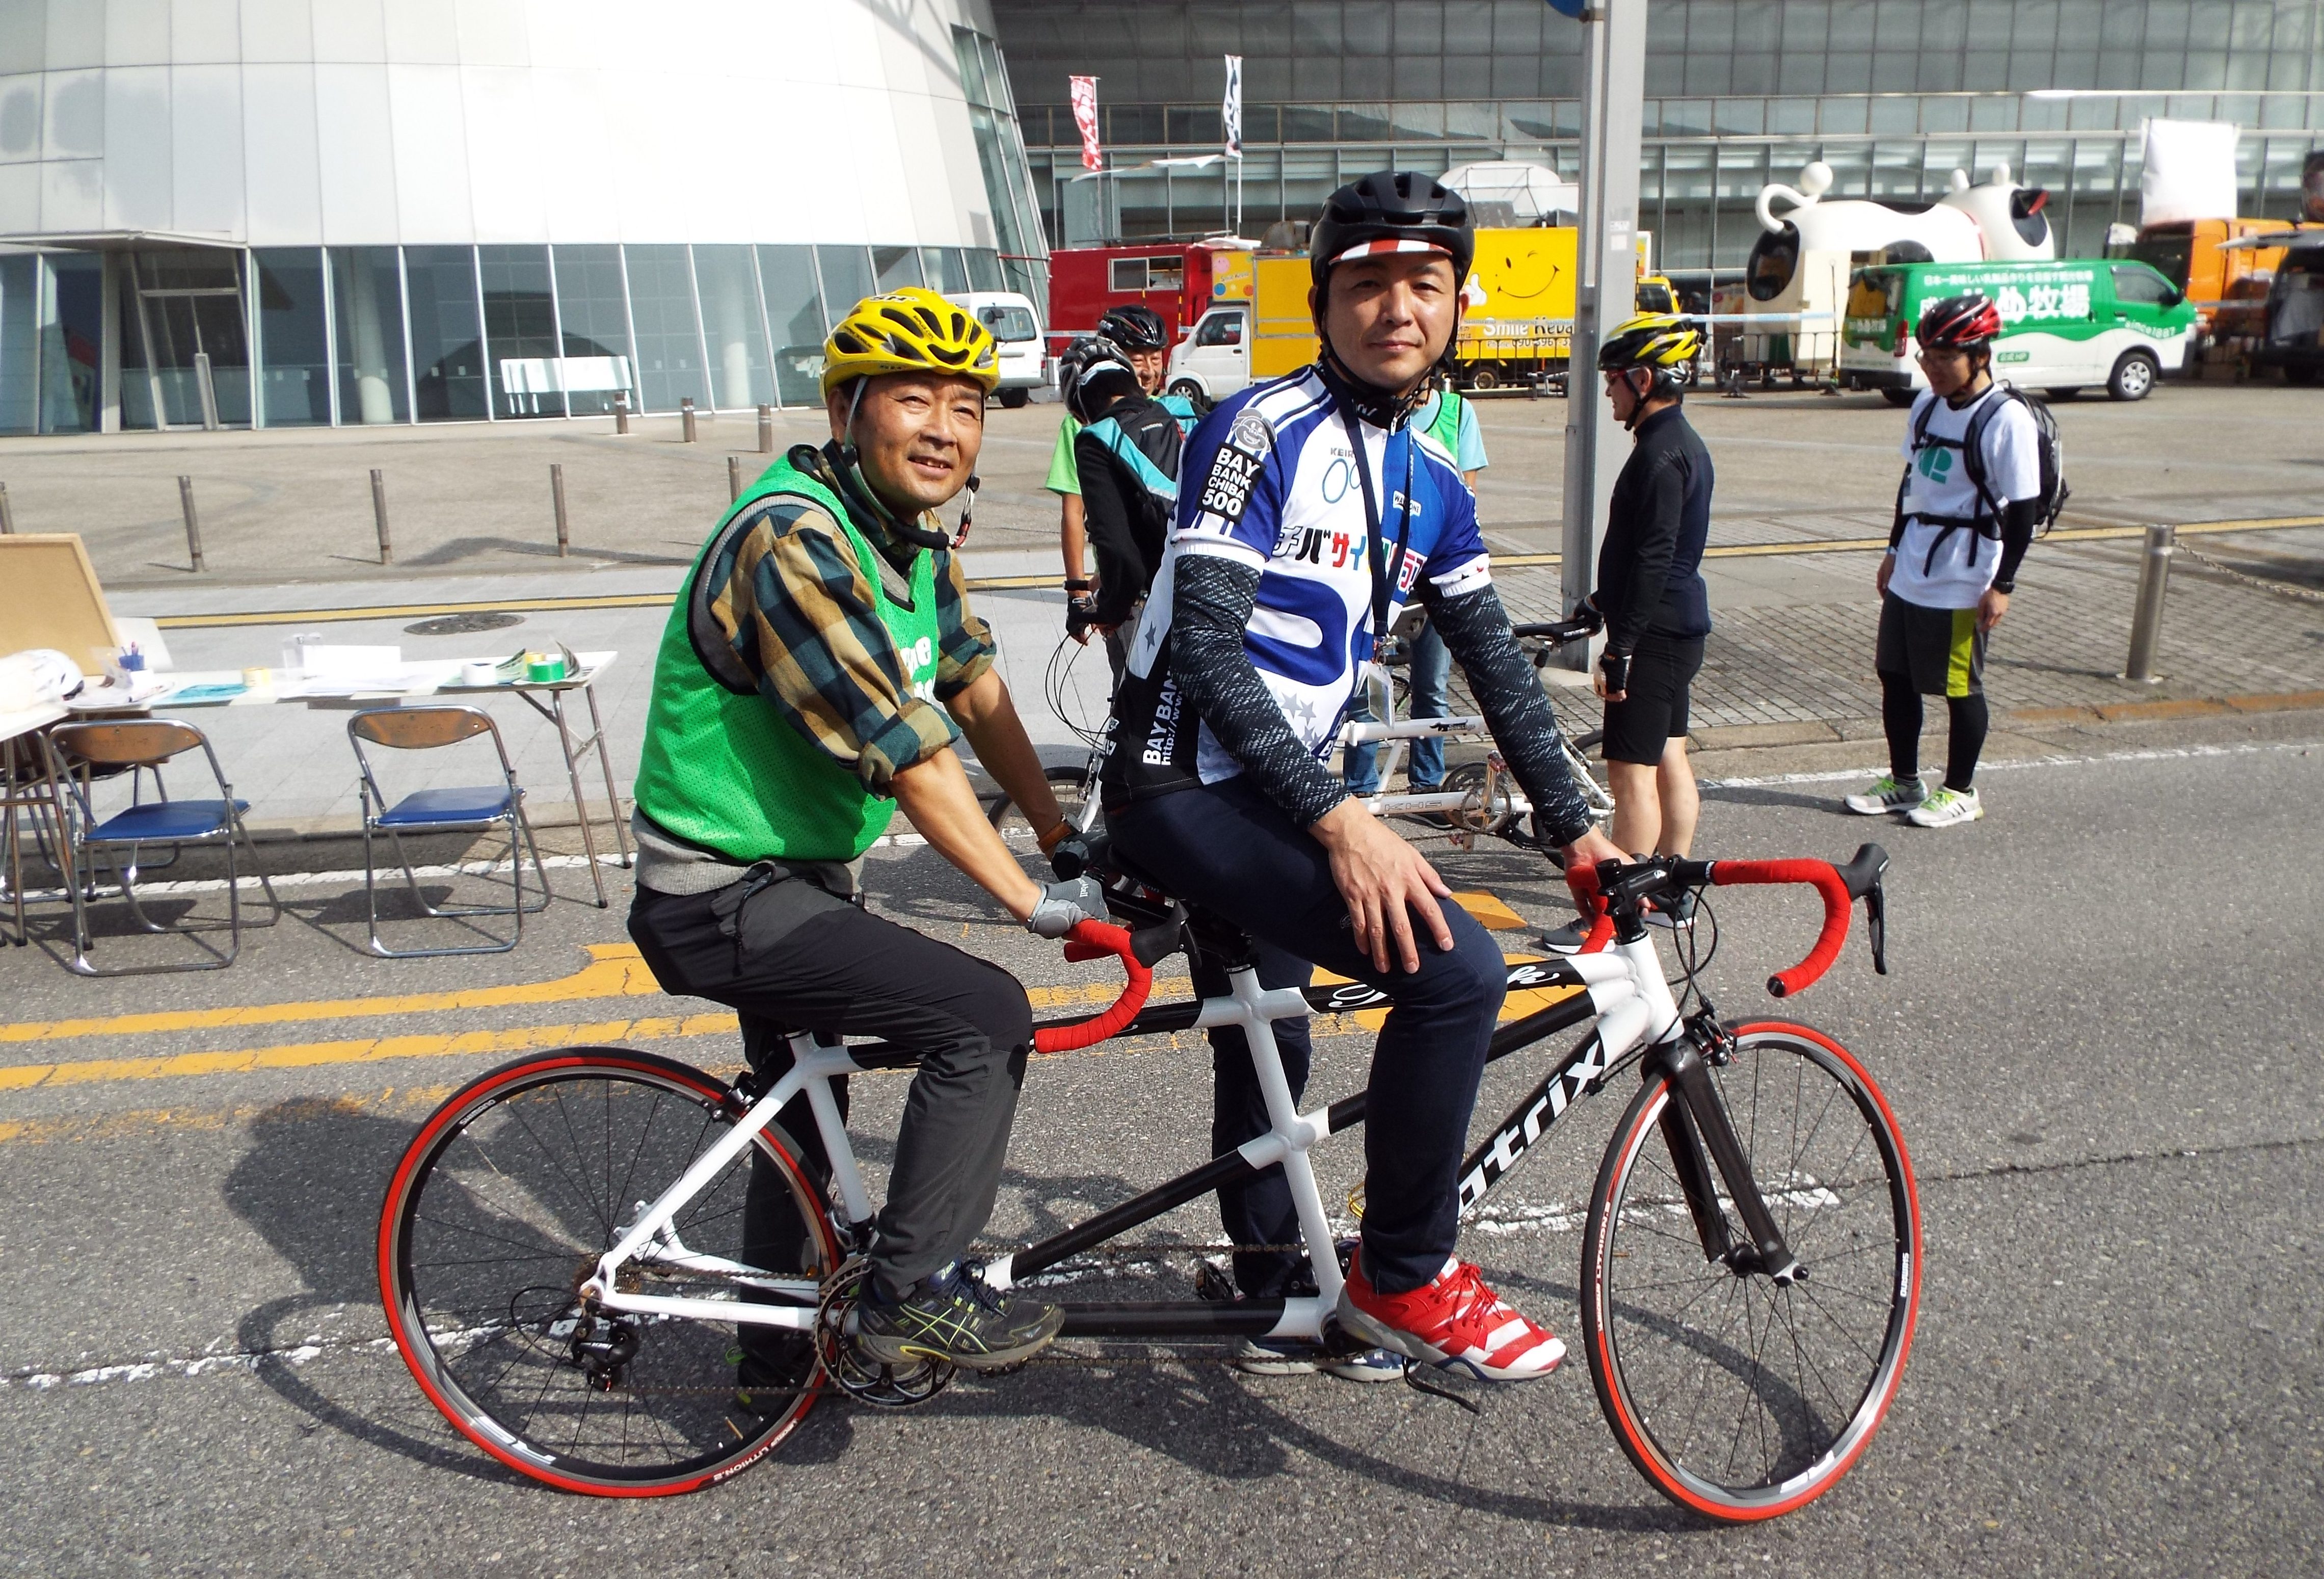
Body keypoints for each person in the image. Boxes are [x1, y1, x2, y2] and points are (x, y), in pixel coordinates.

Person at [1101, 172, 1626, 1384]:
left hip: (1264, 787)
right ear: (1324, 299)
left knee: (1271, 1037)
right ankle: (1402, 1269)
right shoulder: (1258, 427)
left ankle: (1274, 1281)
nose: (1396, 308)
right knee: (1457, 970)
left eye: (1422, 286)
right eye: (1368, 283)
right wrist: (1342, 819)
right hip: (1181, 782)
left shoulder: (1428, 480)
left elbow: (1492, 658)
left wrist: (1576, 824)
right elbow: (1203, 645)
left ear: (1455, 306)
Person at [625, 287, 1109, 1390]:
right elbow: (909, 745)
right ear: (846, 409)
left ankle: (770, 1356)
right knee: (982, 1016)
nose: (944, 427)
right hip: (721, 891)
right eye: (912, 398)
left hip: (789, 879)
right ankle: (911, 1298)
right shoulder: (790, 540)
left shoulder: (911, 540)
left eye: (968, 404)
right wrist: (1029, 902)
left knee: (808, 1098)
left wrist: (1056, 830)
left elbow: (973, 684)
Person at [1541, 313, 1714, 953]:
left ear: (1643, 379)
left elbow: (1653, 556)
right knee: (1669, 753)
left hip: (1656, 631)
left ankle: (1619, 913)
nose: (1609, 393)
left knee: (1630, 775)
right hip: (1676, 624)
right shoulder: (1678, 442)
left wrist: (1621, 646)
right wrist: (1597, 602)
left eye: (1614, 381)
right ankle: (1671, 890)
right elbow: (1640, 553)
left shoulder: (1659, 454)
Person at [1845, 294, 2040, 828]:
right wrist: (1890, 550)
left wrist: (2003, 584)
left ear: (1979, 355)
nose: (1930, 368)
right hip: (1913, 563)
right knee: (1894, 674)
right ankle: (1905, 781)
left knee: (1959, 686)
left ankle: (1960, 789)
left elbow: (2023, 511)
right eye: (1925, 356)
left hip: (1965, 571)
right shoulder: (1926, 406)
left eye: (1944, 357)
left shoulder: (2007, 419)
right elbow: (1911, 485)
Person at [1341, 380, 1488, 802]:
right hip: (1379, 574)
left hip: (1434, 580)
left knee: (1432, 686)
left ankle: (1426, 786)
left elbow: (1467, 494)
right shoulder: (1373, 413)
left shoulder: (1457, 413)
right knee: (1366, 685)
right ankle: (1361, 790)